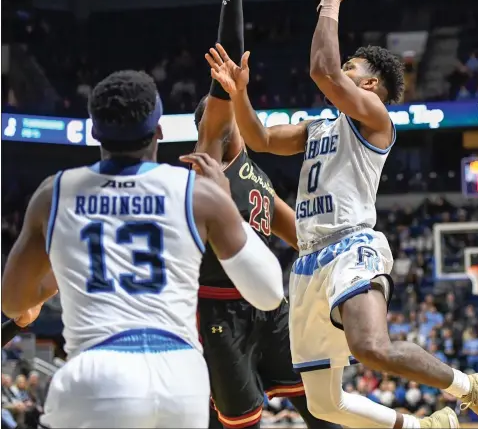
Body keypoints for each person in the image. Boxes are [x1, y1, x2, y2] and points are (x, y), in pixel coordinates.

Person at [204, 0, 478, 429]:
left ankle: (472, 386)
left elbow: (324, 71)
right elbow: (257, 138)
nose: (344, 73)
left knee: (370, 347)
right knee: (323, 404)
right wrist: (240, 95)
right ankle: (424, 426)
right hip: (308, 260)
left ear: (372, 85)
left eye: (354, 69)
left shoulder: (375, 120)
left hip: (351, 244)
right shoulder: (319, 126)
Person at [1, 69, 285, 428]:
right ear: (160, 131)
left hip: (98, 372)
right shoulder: (196, 192)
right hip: (181, 378)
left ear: (94, 132)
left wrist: (52, 282)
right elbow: (270, 293)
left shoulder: (55, 193)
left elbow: (12, 302)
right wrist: (227, 204)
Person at [192, 0, 338, 429]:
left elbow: (297, 232)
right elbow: (223, 65)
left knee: (319, 403)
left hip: (269, 305)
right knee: (239, 422)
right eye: (221, 109)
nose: (230, 110)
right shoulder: (207, 154)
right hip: (219, 312)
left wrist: (338, 270)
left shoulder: (253, 169)